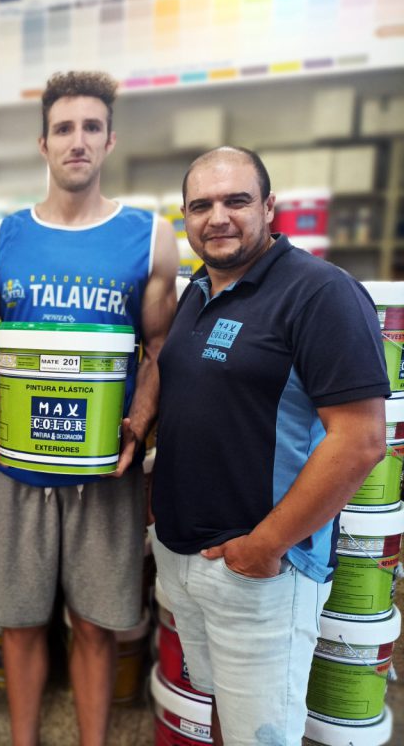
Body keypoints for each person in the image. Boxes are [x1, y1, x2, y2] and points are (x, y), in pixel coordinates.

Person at [150, 146, 387, 745]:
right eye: (201, 205)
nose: (218, 217)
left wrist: (265, 546)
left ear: (270, 206)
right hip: (187, 556)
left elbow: (360, 442)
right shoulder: (198, 290)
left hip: (262, 570)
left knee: (263, 733)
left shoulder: (320, 293)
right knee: (227, 718)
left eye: (236, 200)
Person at [0, 71, 178, 746]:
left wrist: (141, 424)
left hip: (103, 468)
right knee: (21, 622)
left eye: (91, 127)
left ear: (110, 138)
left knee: (95, 623)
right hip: (15, 468)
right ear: (43, 142)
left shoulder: (150, 239)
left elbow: (159, 348)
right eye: (65, 128)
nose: (78, 141)